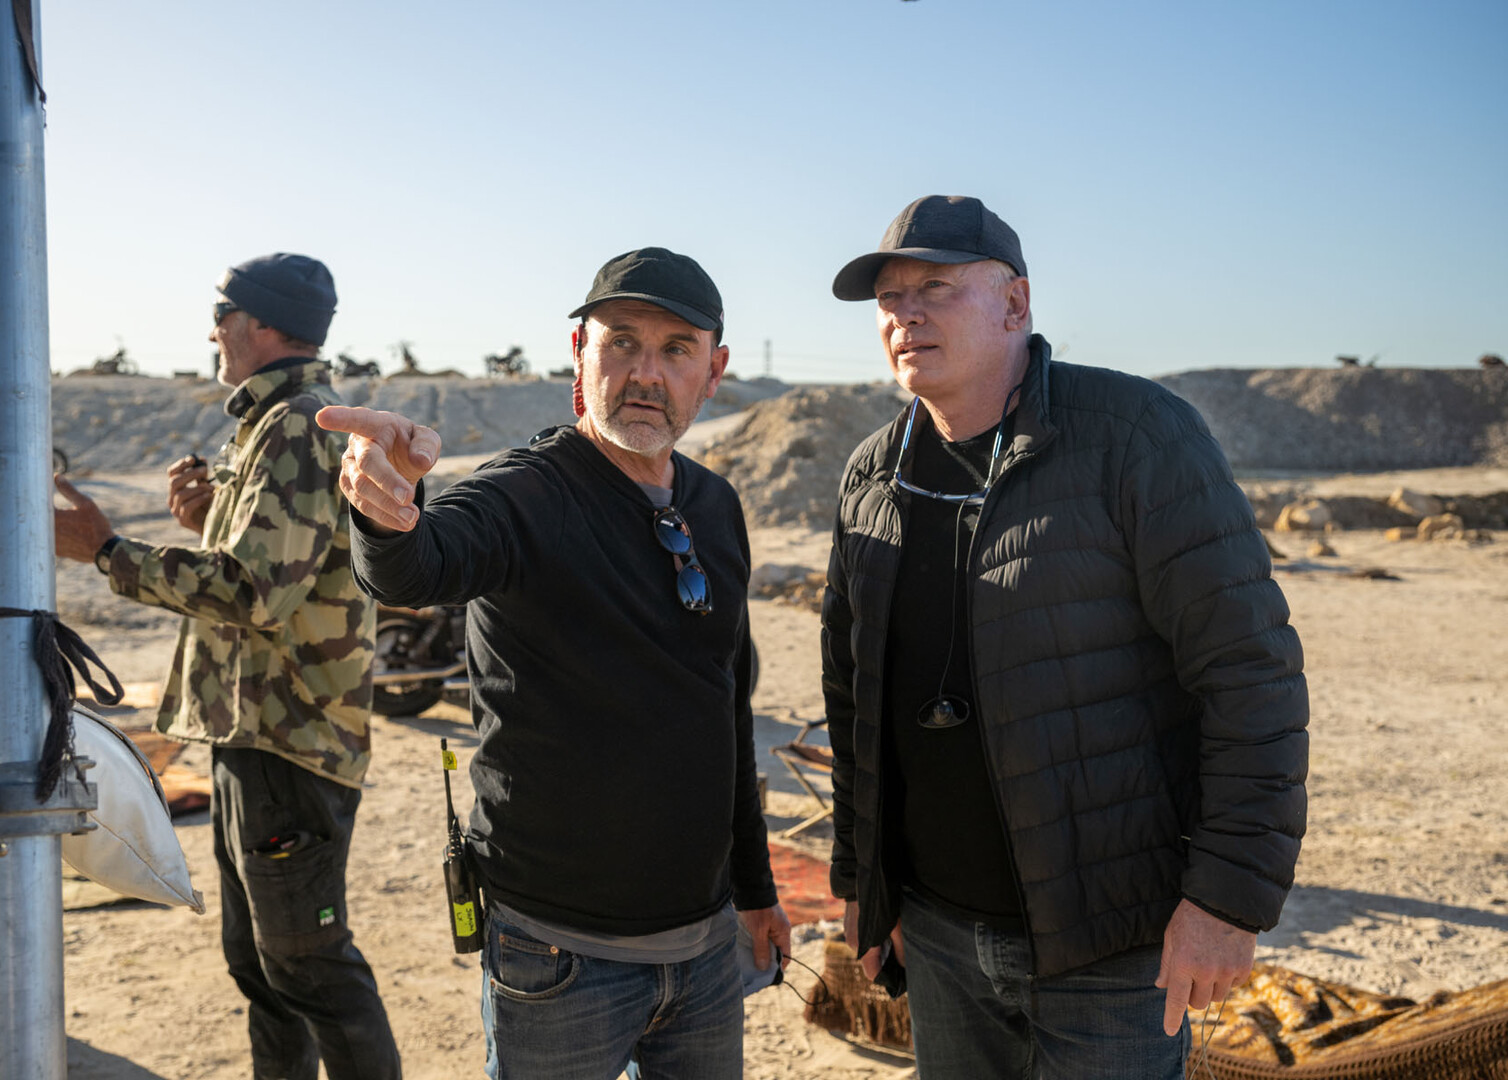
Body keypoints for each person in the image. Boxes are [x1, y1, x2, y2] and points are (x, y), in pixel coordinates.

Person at [821, 196, 1309, 1078]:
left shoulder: (1137, 438)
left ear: (1016, 303)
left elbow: (1250, 676)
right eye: (890, 298)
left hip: (1111, 943)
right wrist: (865, 882)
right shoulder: (870, 475)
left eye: (936, 288)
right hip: (936, 932)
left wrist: (1227, 900)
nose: (905, 315)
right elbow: (853, 700)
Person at [317, 247, 791, 1080]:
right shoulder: (525, 493)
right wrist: (388, 514)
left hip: (706, 949)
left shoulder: (716, 506)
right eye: (622, 342)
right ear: (580, 352)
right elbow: (419, 567)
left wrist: (754, 890)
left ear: (714, 372)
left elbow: (726, 710)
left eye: (676, 349)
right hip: (558, 957)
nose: (646, 373)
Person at [53, 253, 401, 1080]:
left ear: (264, 324)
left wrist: (107, 549)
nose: (213, 332)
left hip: (290, 739)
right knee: (265, 971)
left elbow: (254, 593)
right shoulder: (273, 422)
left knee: (308, 968)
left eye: (223, 315)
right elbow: (279, 565)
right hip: (258, 735)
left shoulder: (298, 424)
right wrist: (210, 520)